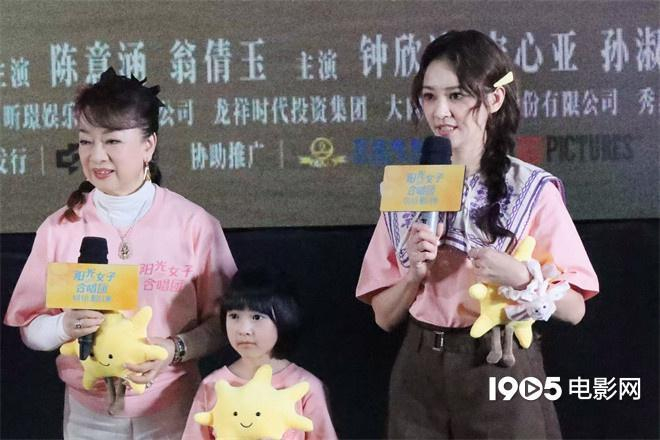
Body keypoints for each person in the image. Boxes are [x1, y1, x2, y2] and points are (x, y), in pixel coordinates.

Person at [356, 30, 599, 439]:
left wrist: (522, 276)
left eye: (456, 96)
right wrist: (414, 275)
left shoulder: (530, 189)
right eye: (429, 97)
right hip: (420, 370)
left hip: (499, 363)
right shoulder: (410, 189)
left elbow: (575, 308)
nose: (440, 111)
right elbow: (383, 316)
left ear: (494, 99)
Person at [3, 67, 237, 439]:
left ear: (148, 145)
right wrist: (64, 326)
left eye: (112, 141)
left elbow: (225, 323)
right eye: (85, 141)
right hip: (88, 414)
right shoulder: (61, 228)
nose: (97, 156)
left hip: (174, 406)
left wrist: (173, 349)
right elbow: (29, 327)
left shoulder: (194, 224)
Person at [182, 267, 337, 440]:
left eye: (256, 317)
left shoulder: (306, 386)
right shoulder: (212, 385)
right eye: (234, 316)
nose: (243, 330)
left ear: (284, 316)